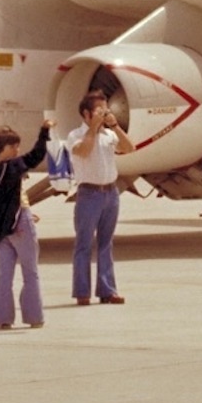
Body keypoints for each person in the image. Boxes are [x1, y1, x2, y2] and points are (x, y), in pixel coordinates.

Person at [0, 120, 52, 329]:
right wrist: (44, 132)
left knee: (5, 275)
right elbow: (36, 155)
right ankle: (34, 316)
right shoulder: (12, 166)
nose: (17, 149)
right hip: (21, 223)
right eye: (12, 146)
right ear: (2, 150)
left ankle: (3, 318)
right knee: (30, 272)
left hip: (1, 229)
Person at [67, 93, 133, 306]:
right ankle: (82, 291)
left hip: (110, 192)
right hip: (89, 193)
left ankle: (107, 289)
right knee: (84, 244)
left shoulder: (108, 135)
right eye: (99, 110)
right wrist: (93, 129)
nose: (104, 114)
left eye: (106, 109)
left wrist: (115, 127)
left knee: (106, 243)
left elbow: (128, 147)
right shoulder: (75, 135)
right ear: (86, 113)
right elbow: (84, 152)